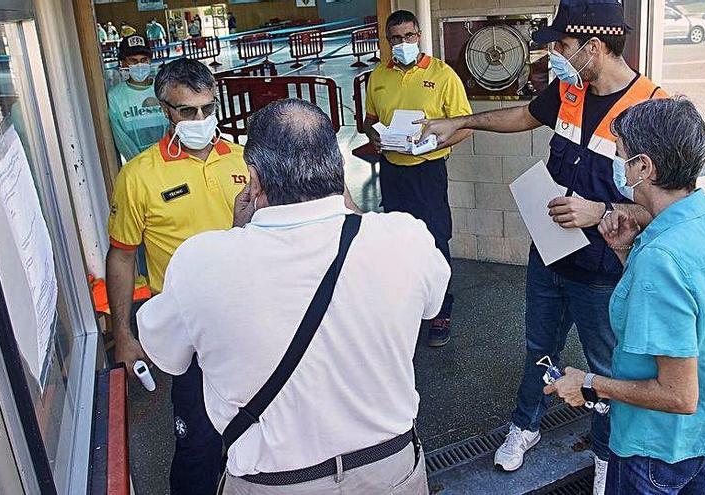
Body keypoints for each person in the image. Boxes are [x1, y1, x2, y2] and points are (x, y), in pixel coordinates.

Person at [137, 98, 450, 494]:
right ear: (336, 166)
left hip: (275, 482)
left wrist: (236, 232)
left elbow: (169, 353)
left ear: (253, 179)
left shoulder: (200, 261)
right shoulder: (405, 237)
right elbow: (433, 302)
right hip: (390, 470)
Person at [417, 0, 667, 491]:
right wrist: (462, 123)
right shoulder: (570, 88)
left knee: (605, 366)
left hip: (602, 270)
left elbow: (666, 208)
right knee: (539, 347)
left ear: (593, 48)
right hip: (549, 254)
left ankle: (604, 453)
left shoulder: (652, 110)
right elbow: (525, 117)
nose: (555, 53)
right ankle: (526, 425)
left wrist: (602, 214)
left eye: (563, 46)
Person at [546, 97, 705, 495]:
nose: (618, 168)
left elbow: (678, 395)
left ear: (644, 167)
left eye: (621, 156)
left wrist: (589, 382)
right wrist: (624, 252)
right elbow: (680, 314)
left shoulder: (663, 257)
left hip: (655, 446)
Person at [106, 58, 250, 494]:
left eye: (208, 108)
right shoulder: (139, 177)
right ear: (165, 110)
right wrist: (124, 334)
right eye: (188, 111)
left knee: (258, 431)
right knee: (198, 445)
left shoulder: (245, 160)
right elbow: (122, 257)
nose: (201, 120)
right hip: (189, 334)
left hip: (249, 319)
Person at [363, 9, 472, 347]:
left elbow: (464, 125)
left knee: (435, 238)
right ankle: (407, 306)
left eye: (409, 36)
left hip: (427, 171)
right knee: (397, 240)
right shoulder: (378, 76)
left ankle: (441, 310)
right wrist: (374, 135)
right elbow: (368, 120)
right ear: (387, 40)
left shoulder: (442, 75)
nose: (402, 43)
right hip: (392, 170)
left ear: (419, 36)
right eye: (395, 38)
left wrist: (436, 141)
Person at [107, 35, 168, 163]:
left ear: (150, 61)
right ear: (123, 63)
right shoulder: (115, 96)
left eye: (144, 59)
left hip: (170, 160)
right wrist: (140, 165)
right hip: (139, 166)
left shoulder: (164, 88)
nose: (140, 65)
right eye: (133, 61)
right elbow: (121, 138)